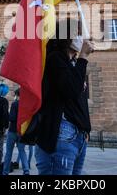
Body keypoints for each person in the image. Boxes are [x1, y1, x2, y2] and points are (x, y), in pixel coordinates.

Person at [35, 19, 95, 175]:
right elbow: (71, 90)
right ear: (65, 36)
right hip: (62, 134)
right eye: (77, 34)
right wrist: (83, 57)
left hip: (78, 137)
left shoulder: (73, 64)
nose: (80, 38)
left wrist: (86, 130)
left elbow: (77, 99)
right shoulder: (55, 58)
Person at [2, 89, 29, 175]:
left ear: (17, 95)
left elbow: (12, 118)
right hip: (21, 131)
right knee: (22, 151)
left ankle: (5, 172)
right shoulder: (26, 105)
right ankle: (26, 171)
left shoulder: (14, 104)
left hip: (12, 131)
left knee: (9, 152)